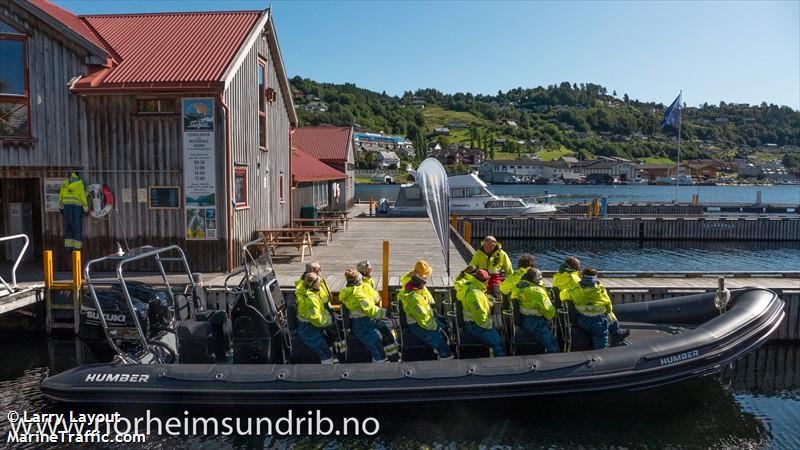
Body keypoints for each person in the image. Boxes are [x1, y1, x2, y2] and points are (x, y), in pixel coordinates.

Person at [555, 257, 628, 344]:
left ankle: (615, 334)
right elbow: (608, 306)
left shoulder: (558, 277)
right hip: (596, 320)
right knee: (607, 318)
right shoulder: (598, 289)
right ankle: (615, 335)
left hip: (579, 317)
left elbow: (563, 295)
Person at [339, 269, 397, 362]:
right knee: (375, 344)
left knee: (386, 333)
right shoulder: (358, 295)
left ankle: (393, 358)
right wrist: (385, 312)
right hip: (362, 323)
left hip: (368, 321)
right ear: (358, 280)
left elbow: (376, 297)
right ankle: (380, 363)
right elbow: (371, 311)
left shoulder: (359, 289)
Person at [398, 274, 453, 359]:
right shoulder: (414, 299)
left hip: (424, 321)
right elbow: (423, 319)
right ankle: (445, 360)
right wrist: (436, 327)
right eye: (424, 283)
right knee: (442, 344)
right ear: (419, 285)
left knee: (444, 328)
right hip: (417, 325)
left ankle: (438, 351)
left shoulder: (417, 293)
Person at [295, 272, 343, 364]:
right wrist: (329, 320)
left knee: (325, 348)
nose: (320, 284)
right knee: (324, 352)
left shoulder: (312, 294)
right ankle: (327, 370)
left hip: (311, 327)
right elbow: (316, 318)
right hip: (308, 330)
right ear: (313, 284)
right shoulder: (311, 299)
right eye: (319, 282)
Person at [566, 268, 617, 349]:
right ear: (595, 277)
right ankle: (614, 338)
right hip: (598, 321)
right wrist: (607, 313)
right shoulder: (600, 289)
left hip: (582, 321)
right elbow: (609, 306)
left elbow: (563, 296)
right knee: (601, 338)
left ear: (582, 276)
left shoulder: (574, 289)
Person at [460, 269, 506, 357]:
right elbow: (479, 315)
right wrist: (490, 326)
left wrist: (489, 302)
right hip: (474, 324)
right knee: (498, 344)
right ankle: (501, 364)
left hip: (472, 322)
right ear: (486, 280)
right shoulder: (475, 294)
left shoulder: (470, 285)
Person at [512, 268, 558, 353]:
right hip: (535, 322)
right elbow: (549, 309)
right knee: (552, 343)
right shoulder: (537, 291)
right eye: (539, 277)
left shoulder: (518, 286)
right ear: (534, 278)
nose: (541, 278)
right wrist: (551, 318)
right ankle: (555, 359)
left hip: (523, 319)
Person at [58, 171, 88, 253]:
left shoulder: (64, 184)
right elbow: (83, 198)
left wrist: (61, 209)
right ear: (77, 176)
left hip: (66, 208)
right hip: (77, 208)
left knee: (68, 228)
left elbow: (60, 197)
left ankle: (68, 248)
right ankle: (77, 249)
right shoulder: (79, 184)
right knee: (77, 228)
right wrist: (86, 210)